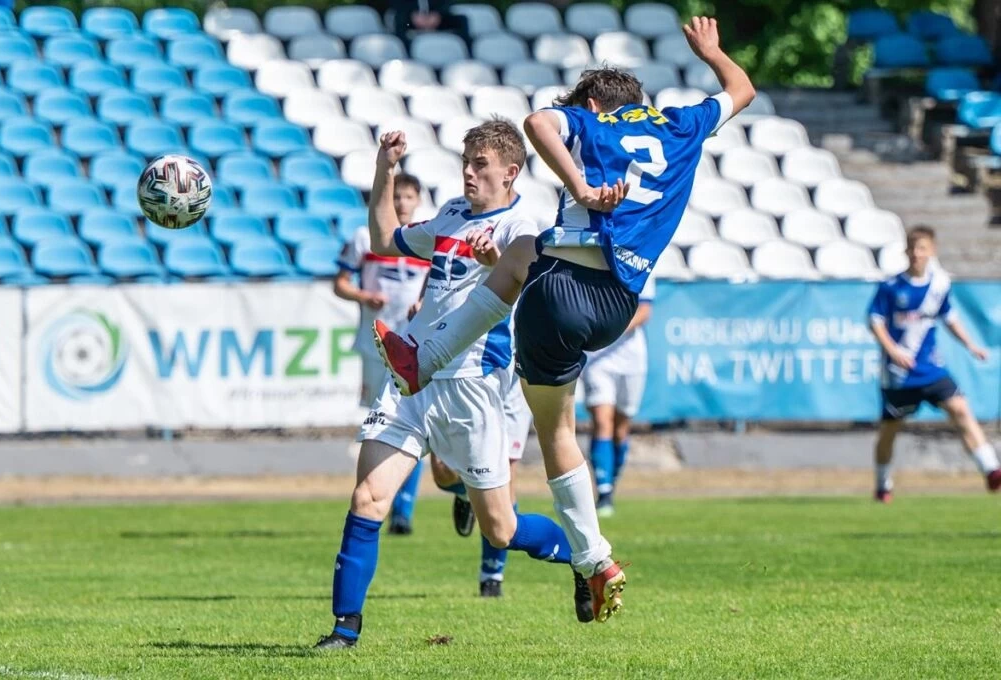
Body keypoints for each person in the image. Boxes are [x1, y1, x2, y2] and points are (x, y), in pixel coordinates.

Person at [375, 17, 755, 623]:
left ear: (595, 104)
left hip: (559, 292)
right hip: (616, 304)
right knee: (553, 401)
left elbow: (536, 124)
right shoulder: (683, 125)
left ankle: (427, 357)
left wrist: (579, 183)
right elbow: (742, 89)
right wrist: (711, 51)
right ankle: (590, 563)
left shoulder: (592, 122)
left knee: (553, 417)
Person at [315, 119, 592, 651]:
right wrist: (385, 169)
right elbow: (383, 240)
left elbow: (533, 290)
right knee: (368, 497)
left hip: (471, 387)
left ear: (511, 172)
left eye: (480, 164)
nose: (468, 172)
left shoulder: (522, 229)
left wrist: (498, 265)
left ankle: (583, 556)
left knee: (501, 530)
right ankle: (345, 630)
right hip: (410, 375)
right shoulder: (451, 215)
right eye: (465, 162)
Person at [868, 226, 1000, 502]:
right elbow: (875, 321)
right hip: (899, 374)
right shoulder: (891, 287)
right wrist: (892, 350)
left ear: (932, 251)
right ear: (905, 251)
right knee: (889, 431)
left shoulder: (939, 285)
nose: (916, 254)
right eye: (912, 248)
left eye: (922, 248)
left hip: (931, 370)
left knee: (960, 409)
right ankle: (883, 485)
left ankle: (991, 470)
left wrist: (971, 345)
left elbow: (949, 318)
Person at [334, 173, 429, 536]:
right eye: (396, 197)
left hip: (415, 345)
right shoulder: (365, 237)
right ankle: (375, 498)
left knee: (411, 422)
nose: (402, 203)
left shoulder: (426, 239)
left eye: (408, 197)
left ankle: (402, 509)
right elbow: (340, 283)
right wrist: (364, 296)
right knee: (379, 421)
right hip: (375, 343)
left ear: (418, 200)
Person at [429, 365, 534, 597]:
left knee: (505, 479)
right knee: (442, 472)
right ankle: (467, 493)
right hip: (466, 379)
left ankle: (492, 574)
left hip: (511, 387)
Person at [582, 270, 656, 517]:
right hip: (597, 359)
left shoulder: (641, 262)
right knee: (602, 421)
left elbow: (644, 311)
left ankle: (611, 483)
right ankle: (603, 493)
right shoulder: (593, 260)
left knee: (621, 428)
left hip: (631, 360)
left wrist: (613, 327)